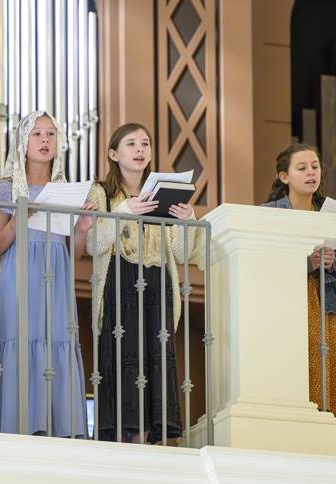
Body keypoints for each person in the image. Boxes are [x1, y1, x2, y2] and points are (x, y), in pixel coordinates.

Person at [0, 110, 95, 438]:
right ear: (22, 141)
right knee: (19, 340)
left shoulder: (68, 192)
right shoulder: (6, 190)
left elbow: (70, 253)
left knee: (56, 340)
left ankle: (57, 428)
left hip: (55, 275)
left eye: (50, 134)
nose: (45, 140)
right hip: (18, 273)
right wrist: (17, 221)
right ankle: (18, 427)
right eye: (36, 133)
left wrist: (83, 229)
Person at [86, 123, 194, 443]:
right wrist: (124, 210)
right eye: (131, 144)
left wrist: (186, 222)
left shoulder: (164, 191)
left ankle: (145, 442)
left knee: (155, 359)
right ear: (114, 154)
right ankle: (122, 441)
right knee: (124, 358)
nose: (139, 149)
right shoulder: (101, 192)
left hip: (158, 283)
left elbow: (179, 252)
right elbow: (94, 244)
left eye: (145, 143)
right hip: (120, 280)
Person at [261, 143, 336, 420]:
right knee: (288, 374)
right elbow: (262, 267)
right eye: (302, 167)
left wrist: (331, 265)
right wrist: (308, 263)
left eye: (315, 167)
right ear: (285, 177)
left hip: (323, 306)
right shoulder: (268, 213)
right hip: (286, 306)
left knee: (322, 379)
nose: (311, 173)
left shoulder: (330, 217)